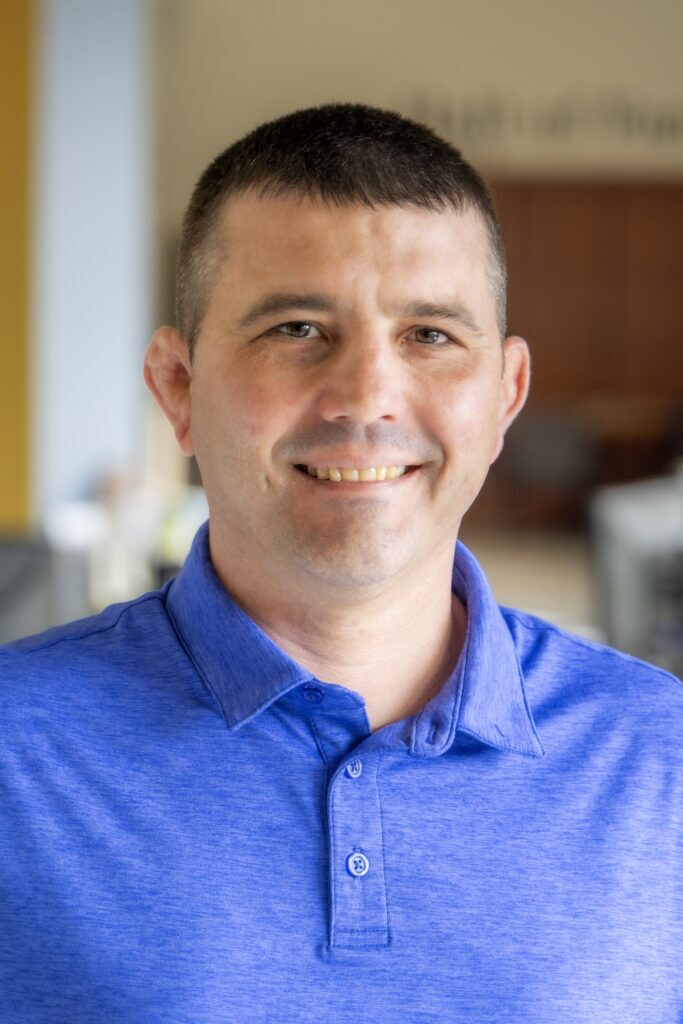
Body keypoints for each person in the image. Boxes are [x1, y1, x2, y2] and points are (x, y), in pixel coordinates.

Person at [1, 104, 681, 1024]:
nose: (365, 397)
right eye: (295, 328)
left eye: (430, 335)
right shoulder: (17, 752)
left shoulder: (659, 759)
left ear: (504, 395)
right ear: (178, 387)